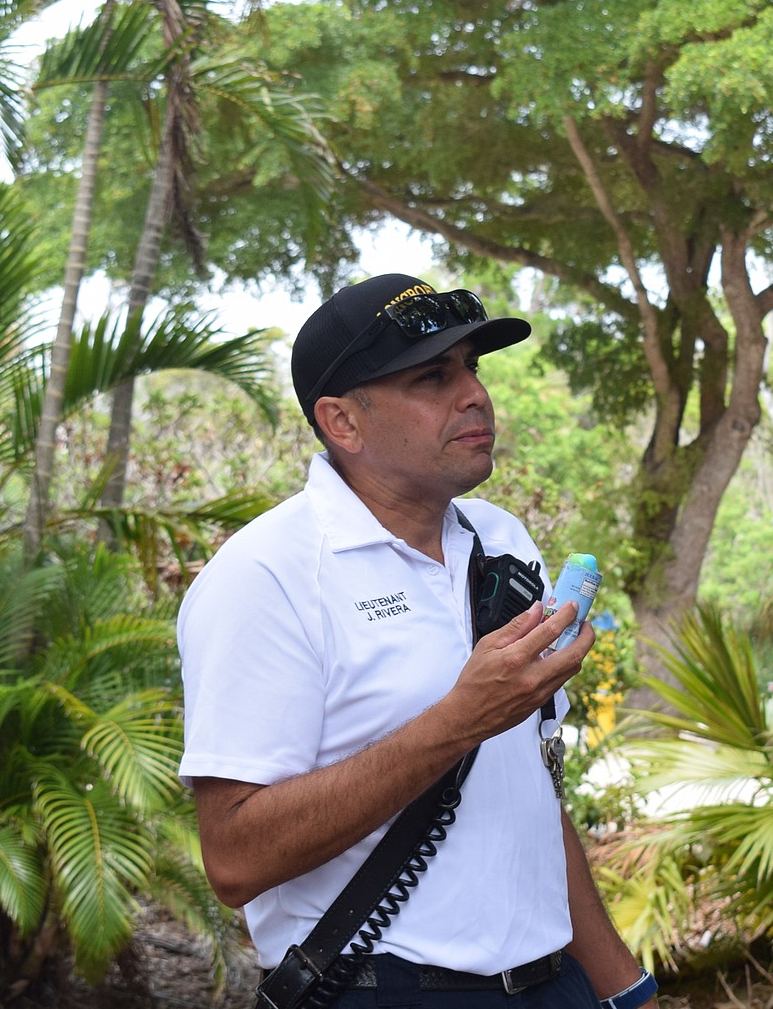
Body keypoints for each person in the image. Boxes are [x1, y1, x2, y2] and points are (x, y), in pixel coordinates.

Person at [177, 273, 657, 1009]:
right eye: (434, 376)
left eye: (472, 367)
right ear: (343, 423)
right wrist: (456, 722)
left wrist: (623, 987)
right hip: (381, 988)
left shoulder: (501, 541)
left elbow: (527, 790)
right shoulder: (266, 575)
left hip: (551, 984)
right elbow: (235, 859)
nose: (474, 395)